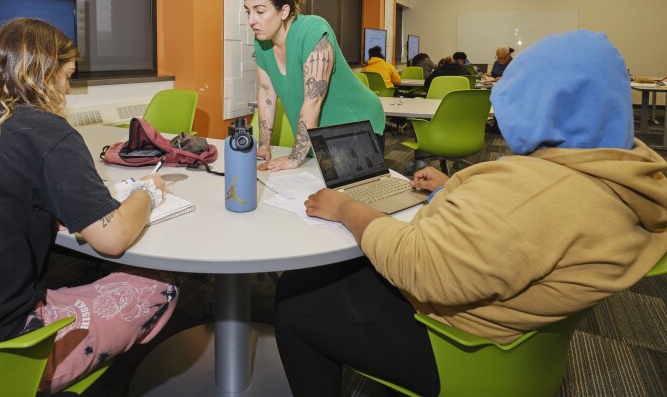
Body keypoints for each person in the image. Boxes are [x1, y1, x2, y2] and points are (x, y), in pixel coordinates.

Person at [273, 30, 667, 397]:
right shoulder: (625, 173)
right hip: (516, 323)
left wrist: (346, 207)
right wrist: (451, 188)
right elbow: (533, 225)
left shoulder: (533, 198)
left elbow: (419, 266)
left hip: (459, 344)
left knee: (295, 298)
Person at [0, 18, 178, 394]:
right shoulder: (45, 131)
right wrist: (147, 192)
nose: (68, 89)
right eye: (67, 76)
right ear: (43, 73)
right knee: (160, 284)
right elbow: (113, 238)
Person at [241, 0, 386, 171]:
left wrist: (294, 158)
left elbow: (314, 99)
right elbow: (267, 92)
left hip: (355, 125)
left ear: (283, 11)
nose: (251, 20)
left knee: (348, 195)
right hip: (318, 132)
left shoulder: (313, 31)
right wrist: (264, 145)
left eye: (260, 11)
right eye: (248, 11)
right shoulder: (262, 42)